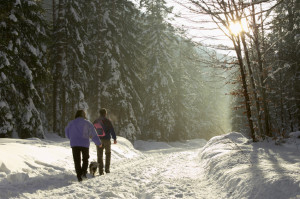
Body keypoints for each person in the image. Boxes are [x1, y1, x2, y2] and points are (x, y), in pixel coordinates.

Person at [65, 110, 102, 182]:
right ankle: (83, 173)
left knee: (77, 160)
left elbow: (67, 132)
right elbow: (93, 134)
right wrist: (98, 143)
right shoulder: (87, 123)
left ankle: (79, 175)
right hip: (84, 143)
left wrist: (72, 138)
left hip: (74, 144)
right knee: (85, 159)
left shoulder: (71, 123)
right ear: (84, 115)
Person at [93, 108, 117, 175]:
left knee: (99, 155)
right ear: (105, 114)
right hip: (107, 140)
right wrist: (114, 138)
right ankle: (107, 169)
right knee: (108, 154)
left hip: (99, 140)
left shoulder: (96, 121)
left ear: (99, 113)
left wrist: (95, 139)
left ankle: (101, 171)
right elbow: (112, 130)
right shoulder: (108, 121)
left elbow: (93, 131)